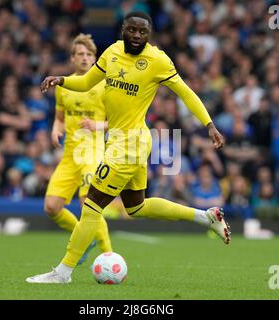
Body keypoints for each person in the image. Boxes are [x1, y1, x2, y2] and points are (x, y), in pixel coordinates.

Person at [30, 12, 231, 284]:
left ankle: (63, 272)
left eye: (142, 32)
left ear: (149, 35)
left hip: (129, 145)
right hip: (124, 142)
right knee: (136, 207)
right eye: (132, 30)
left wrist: (209, 124)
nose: (137, 36)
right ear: (124, 29)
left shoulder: (157, 60)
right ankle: (205, 217)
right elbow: (87, 82)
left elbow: (185, 91)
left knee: (91, 206)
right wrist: (62, 79)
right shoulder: (112, 52)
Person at [28, 34, 112, 283]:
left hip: (93, 154)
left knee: (90, 204)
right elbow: (60, 117)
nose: (85, 58)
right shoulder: (64, 86)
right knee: (51, 207)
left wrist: (98, 125)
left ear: (94, 58)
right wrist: (56, 128)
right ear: (72, 58)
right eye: (80, 54)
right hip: (69, 157)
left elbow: (120, 121)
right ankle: (82, 239)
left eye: (89, 54)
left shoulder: (105, 85)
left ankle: (109, 256)